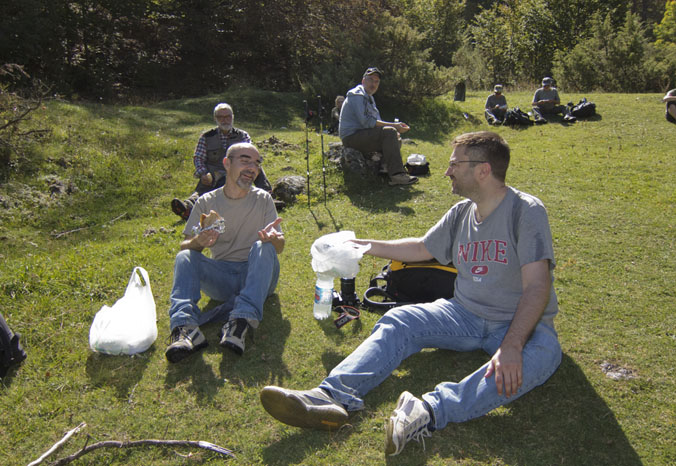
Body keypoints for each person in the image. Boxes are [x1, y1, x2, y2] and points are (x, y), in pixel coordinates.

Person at [260, 131, 562, 456]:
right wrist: (366, 246)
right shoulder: (462, 212)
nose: (447, 172)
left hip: (515, 322)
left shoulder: (525, 211)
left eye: (455, 164)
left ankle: (426, 412)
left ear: (483, 170)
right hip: (463, 314)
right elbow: (422, 247)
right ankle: (329, 397)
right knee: (401, 318)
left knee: (544, 354)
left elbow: (536, 286)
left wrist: (513, 345)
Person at [165, 142, 284, 363]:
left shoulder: (263, 199)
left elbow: (280, 247)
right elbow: (185, 248)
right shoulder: (206, 202)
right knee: (184, 256)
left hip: (258, 277)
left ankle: (240, 322)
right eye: (245, 160)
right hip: (221, 279)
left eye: (256, 163)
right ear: (227, 164)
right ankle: (186, 329)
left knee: (263, 245)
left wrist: (275, 240)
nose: (252, 167)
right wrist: (199, 241)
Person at [171, 103, 272, 221]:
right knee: (202, 192)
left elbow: (251, 154)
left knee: (257, 167)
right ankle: (187, 208)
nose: (225, 120)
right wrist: (203, 173)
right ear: (215, 119)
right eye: (221, 117)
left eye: (228, 116)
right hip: (213, 175)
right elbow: (198, 157)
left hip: (237, 173)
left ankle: (268, 197)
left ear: (232, 117)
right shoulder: (206, 137)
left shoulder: (242, 135)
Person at [338, 67, 418, 186]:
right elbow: (366, 122)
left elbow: (377, 122)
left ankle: (385, 168)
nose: (373, 84)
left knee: (394, 135)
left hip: (362, 135)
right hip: (351, 137)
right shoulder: (356, 95)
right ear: (363, 81)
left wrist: (394, 129)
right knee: (390, 132)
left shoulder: (369, 98)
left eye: (376, 82)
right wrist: (394, 126)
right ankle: (397, 175)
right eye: (370, 80)